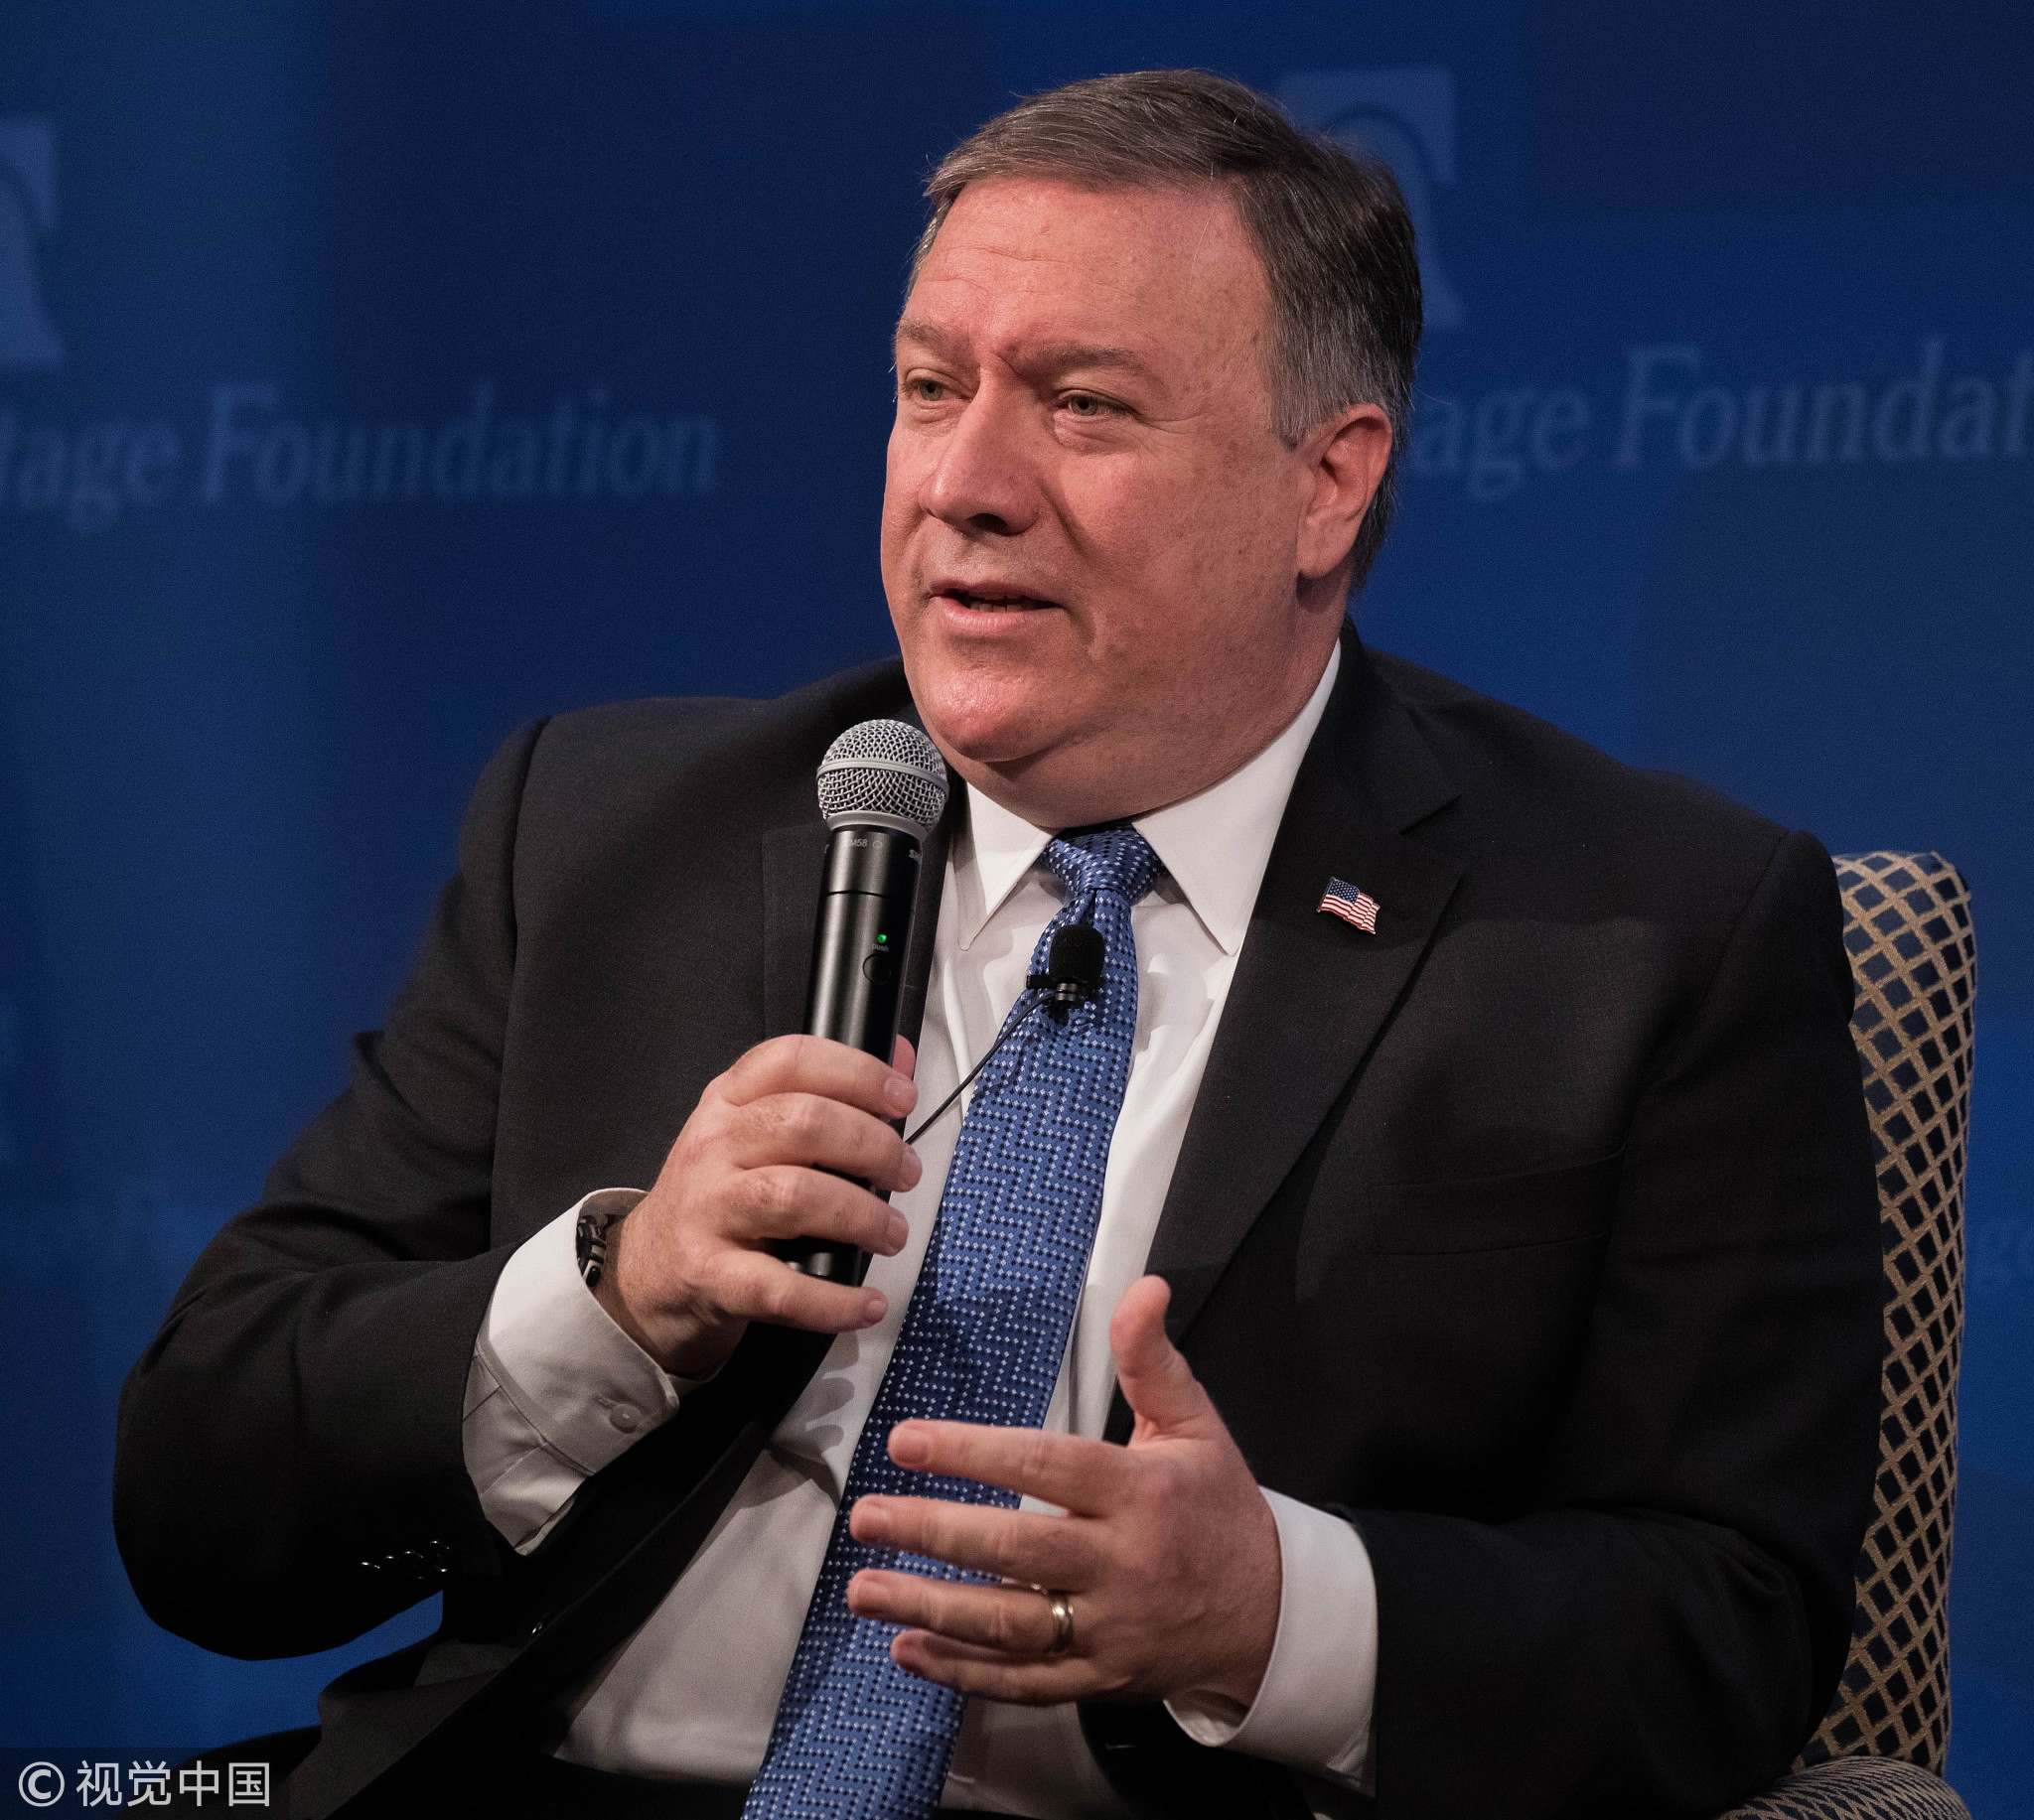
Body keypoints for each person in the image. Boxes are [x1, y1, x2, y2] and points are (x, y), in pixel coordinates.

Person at [114, 70, 1882, 1820]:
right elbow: (198, 1494)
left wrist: (1277, 1610)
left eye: (1084, 406)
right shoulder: (601, 831)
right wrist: (615, 1296)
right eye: (929, 388)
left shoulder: (1649, 935)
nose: (966, 482)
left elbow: (1731, 1623)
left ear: (1329, 485)